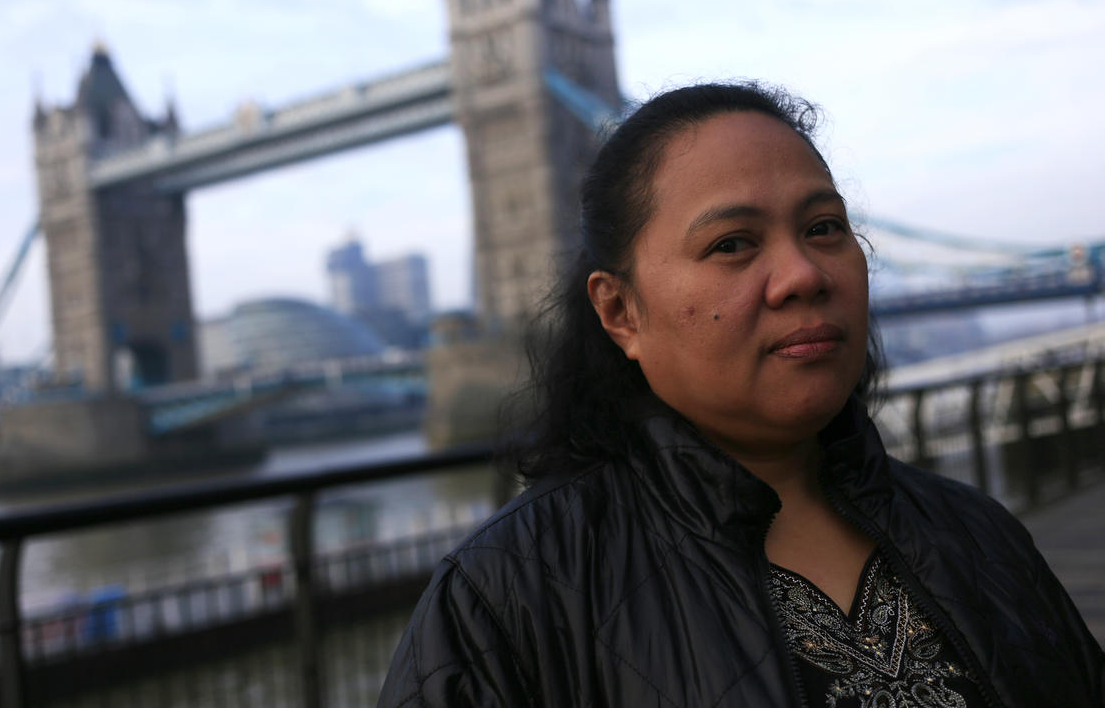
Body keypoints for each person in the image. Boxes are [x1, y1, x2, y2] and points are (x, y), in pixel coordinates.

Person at [378, 83, 1104, 707]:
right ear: (620, 312)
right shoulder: (503, 598)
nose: (803, 274)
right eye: (732, 244)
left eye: (824, 228)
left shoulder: (981, 533)